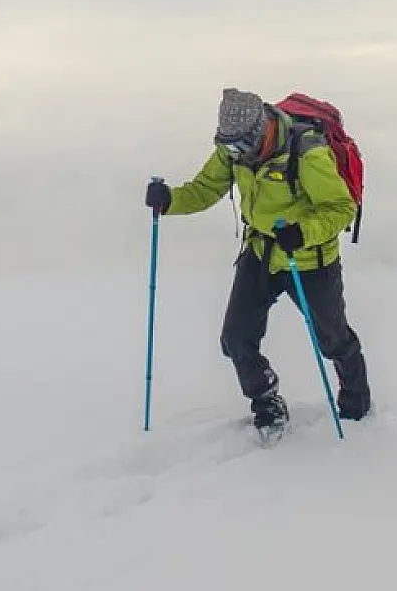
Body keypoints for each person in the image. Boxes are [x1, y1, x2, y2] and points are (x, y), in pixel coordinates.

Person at [145, 88, 374, 431]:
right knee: (235, 338)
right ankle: (266, 399)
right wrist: (170, 201)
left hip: (309, 259)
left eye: (239, 145)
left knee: (334, 339)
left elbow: (341, 208)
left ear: (261, 129)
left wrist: (304, 232)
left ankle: (356, 403)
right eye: (228, 145)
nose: (233, 153)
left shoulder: (307, 152)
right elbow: (206, 188)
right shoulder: (233, 149)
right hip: (261, 251)